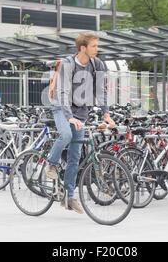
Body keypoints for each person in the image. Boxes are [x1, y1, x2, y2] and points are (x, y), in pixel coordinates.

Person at [45, 32, 115, 214]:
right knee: (66, 134)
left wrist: (106, 113)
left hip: (81, 112)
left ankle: (69, 197)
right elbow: (62, 92)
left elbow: (101, 91)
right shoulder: (68, 64)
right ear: (83, 48)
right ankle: (51, 163)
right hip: (61, 108)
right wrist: (69, 117)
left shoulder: (97, 64)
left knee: (75, 157)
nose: (97, 49)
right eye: (94, 46)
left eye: (97, 46)